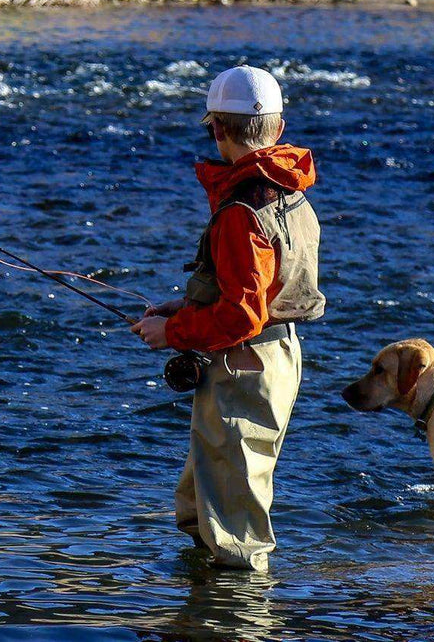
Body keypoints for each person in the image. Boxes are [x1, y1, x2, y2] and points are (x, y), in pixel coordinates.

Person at [131, 65, 325, 572]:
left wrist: (171, 332)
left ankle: (240, 619)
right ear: (278, 129)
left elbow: (242, 314)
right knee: (202, 504)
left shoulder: (242, 208)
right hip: (271, 356)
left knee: (235, 531)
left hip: (245, 366)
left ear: (217, 129)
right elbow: (263, 286)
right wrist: (191, 302)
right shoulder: (288, 190)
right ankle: (203, 612)